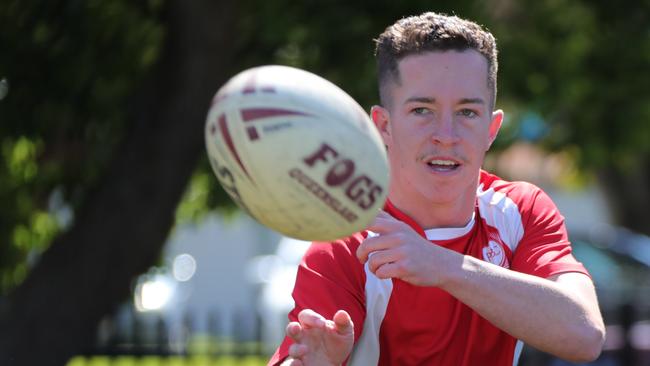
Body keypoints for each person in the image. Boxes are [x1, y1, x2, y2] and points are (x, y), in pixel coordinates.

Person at [269, 12, 605, 366]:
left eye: (467, 112)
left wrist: (443, 266)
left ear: (491, 130)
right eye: (422, 110)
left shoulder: (520, 211)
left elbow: (585, 335)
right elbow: (304, 355)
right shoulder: (345, 243)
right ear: (383, 126)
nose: (446, 135)